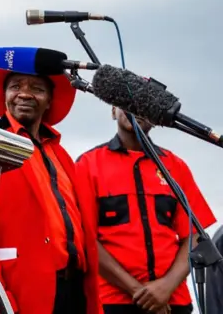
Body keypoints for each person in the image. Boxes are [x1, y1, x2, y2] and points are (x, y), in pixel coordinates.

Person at [0, 66, 101, 314]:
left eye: (37, 89)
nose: (25, 94)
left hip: (74, 290)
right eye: (16, 87)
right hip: (20, 291)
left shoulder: (61, 155)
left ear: (49, 102)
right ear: (4, 96)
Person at [75, 108, 217, 314]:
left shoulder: (175, 166)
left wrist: (166, 286)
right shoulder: (88, 165)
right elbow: (85, 238)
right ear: (113, 112)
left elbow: (195, 236)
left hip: (173, 301)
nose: (135, 111)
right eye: (125, 104)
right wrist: (138, 291)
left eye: (143, 105)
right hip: (110, 302)